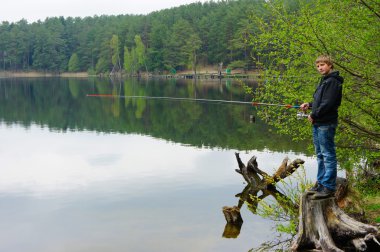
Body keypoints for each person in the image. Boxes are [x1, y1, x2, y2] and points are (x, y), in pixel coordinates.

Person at [300, 55, 344, 199]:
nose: (320, 68)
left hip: (326, 123)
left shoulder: (332, 81)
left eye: (323, 65)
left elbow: (328, 103)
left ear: (330, 65)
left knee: (328, 155)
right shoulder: (324, 81)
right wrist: (310, 105)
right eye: (318, 66)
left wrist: (314, 114)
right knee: (320, 155)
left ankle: (328, 187)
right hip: (319, 123)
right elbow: (320, 101)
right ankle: (320, 183)